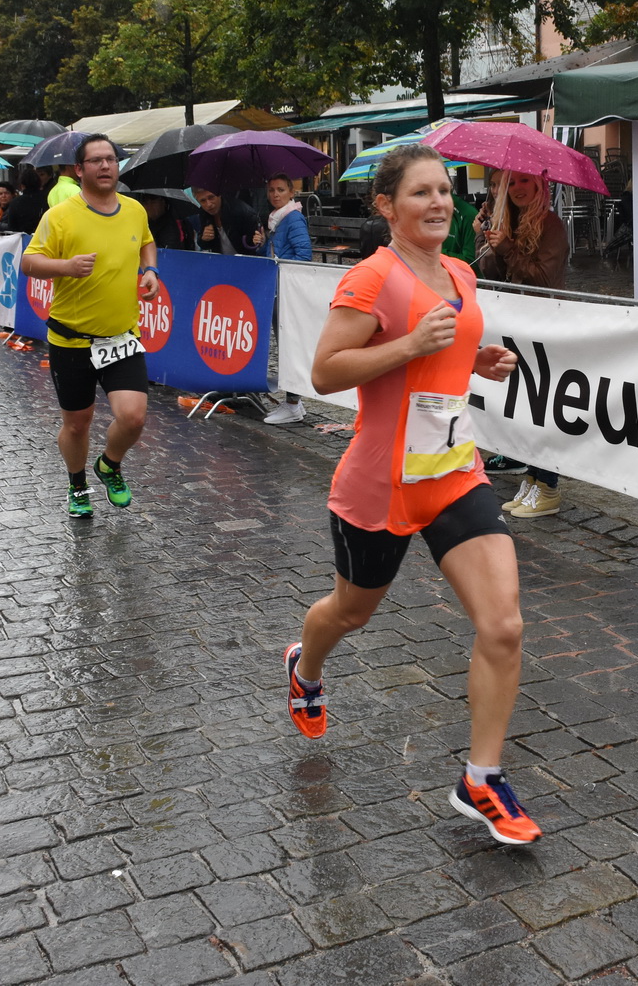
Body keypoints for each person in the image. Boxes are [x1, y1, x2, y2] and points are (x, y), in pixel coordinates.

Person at [286, 143, 539, 845]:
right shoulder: (371, 278)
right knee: (350, 611)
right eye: (421, 192)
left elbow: (443, 361)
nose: (439, 202)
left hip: (455, 471)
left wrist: (475, 359)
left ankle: (480, 779)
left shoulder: (459, 271)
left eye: (445, 191)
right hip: (380, 482)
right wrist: (406, 345)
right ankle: (305, 668)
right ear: (387, 206)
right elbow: (328, 371)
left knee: (504, 624)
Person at [20, 134, 159, 519]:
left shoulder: (134, 210)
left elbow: (147, 243)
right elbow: (28, 263)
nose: (105, 166)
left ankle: (109, 465)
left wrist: (150, 270)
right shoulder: (60, 216)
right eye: (95, 161)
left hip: (122, 336)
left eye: (110, 159)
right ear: (79, 170)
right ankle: (77, 484)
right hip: (71, 340)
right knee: (78, 425)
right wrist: (65, 266)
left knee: (133, 417)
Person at [476, 169, 570, 518]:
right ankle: (531, 478)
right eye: (509, 183)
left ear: (540, 184)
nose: (516, 189)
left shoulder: (551, 226)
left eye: (524, 181)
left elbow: (543, 279)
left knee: (544, 409)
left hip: (545, 327)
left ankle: (548, 485)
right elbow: (492, 274)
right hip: (517, 328)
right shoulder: (508, 224)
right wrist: (486, 240)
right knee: (526, 409)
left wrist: (509, 247)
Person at [255, 175, 315, 426]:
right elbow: (270, 253)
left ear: (292, 192)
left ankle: (293, 403)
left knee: (289, 347)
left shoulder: (292, 218)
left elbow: (304, 254)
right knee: (285, 346)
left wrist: (282, 268)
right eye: (271, 190)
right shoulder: (277, 219)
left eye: (280, 189)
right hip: (279, 289)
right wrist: (260, 244)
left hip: (287, 291)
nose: (275, 194)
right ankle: (294, 403)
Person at [190, 187, 235, 254]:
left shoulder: (240, 212)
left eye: (211, 197)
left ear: (219, 195)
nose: (209, 204)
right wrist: (204, 239)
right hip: (219, 259)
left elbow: (252, 247)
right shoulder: (203, 213)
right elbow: (204, 245)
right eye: (203, 201)